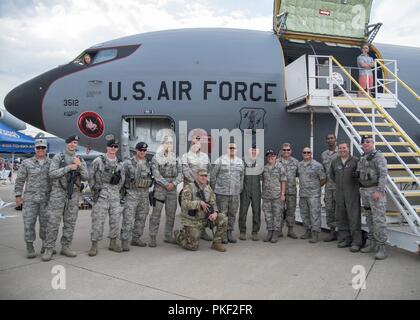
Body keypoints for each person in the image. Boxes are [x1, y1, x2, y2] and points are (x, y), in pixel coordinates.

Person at [42, 135, 89, 261]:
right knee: (53, 222)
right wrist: (69, 167)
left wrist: (80, 165)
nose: (73, 144)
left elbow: (86, 177)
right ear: (67, 143)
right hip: (58, 194)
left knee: (70, 222)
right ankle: (49, 249)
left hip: (73, 195)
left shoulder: (79, 159)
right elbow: (51, 174)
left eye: (75, 143)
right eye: (71, 142)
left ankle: (66, 247)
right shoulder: (58, 157)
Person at [174, 168, 227, 252]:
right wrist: (199, 203)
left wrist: (215, 213)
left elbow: (213, 203)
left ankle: (216, 243)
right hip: (192, 220)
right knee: (193, 246)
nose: (204, 177)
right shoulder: (189, 187)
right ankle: (178, 235)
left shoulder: (208, 188)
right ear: (196, 177)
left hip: (205, 218)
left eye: (205, 176)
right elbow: (184, 203)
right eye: (201, 175)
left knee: (223, 218)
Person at [14, 139, 52, 258]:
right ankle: (30, 247)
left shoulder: (51, 163)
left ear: (46, 149)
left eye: (43, 148)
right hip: (30, 199)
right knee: (29, 223)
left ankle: (45, 246)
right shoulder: (26, 163)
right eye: (38, 148)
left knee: (45, 224)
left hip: (46, 199)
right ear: (34, 149)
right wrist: (18, 195)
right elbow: (20, 180)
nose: (40, 150)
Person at [88, 139, 125, 256]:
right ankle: (94, 245)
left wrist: (115, 190)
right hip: (101, 194)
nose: (113, 148)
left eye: (115, 146)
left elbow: (122, 180)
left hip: (114, 195)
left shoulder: (120, 164)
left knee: (115, 220)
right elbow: (91, 176)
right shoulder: (98, 161)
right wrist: (95, 189)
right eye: (111, 146)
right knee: (98, 220)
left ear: (117, 148)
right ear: (107, 148)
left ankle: (113, 243)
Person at [357, 135, 388, 260]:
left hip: (375, 192)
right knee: (369, 218)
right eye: (364, 142)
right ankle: (372, 243)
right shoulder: (363, 157)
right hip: (365, 191)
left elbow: (383, 174)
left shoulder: (378, 156)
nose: (366, 144)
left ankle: (382, 248)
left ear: (373, 143)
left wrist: (379, 191)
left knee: (378, 220)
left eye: (368, 142)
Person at [149, 136, 183, 247]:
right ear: (163, 144)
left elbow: (181, 173)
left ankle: (168, 236)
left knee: (171, 214)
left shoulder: (176, 158)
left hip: (172, 189)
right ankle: (152, 237)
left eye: (171, 143)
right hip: (160, 189)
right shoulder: (156, 158)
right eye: (167, 143)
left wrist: (173, 183)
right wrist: (165, 184)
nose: (169, 145)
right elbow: (156, 173)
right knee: (156, 214)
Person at [120, 142, 153, 250]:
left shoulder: (149, 163)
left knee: (142, 217)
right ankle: (125, 240)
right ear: (136, 150)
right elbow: (121, 179)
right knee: (128, 218)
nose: (143, 152)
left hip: (144, 194)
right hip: (132, 193)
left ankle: (136, 238)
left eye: (144, 150)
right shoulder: (128, 163)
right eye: (140, 150)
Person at [330, 142, 362, 252]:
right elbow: (332, 176)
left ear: (348, 149)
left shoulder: (355, 161)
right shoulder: (335, 162)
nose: (342, 150)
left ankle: (356, 242)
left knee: (354, 217)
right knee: (341, 217)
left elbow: (360, 176)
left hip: (352, 194)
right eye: (340, 148)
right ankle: (345, 239)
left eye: (344, 148)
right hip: (339, 193)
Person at [211, 143, 244, 244]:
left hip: (234, 193)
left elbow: (242, 177)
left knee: (232, 214)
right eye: (230, 148)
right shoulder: (220, 160)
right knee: (222, 214)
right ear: (227, 149)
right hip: (222, 193)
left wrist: (239, 189)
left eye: (234, 148)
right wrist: (214, 190)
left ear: (237, 149)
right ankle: (222, 234)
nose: (232, 149)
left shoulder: (240, 162)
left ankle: (229, 232)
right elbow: (213, 176)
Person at [181, 135, 212, 241]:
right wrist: (195, 182)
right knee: (189, 209)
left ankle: (202, 231)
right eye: (194, 143)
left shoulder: (205, 156)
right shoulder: (185, 156)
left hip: (203, 187)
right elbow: (185, 170)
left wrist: (207, 181)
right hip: (190, 186)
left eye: (198, 143)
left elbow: (209, 170)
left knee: (203, 209)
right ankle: (186, 230)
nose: (196, 145)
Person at [298, 147, 326, 243]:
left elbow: (323, 179)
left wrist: (316, 188)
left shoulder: (317, 165)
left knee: (314, 214)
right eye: (304, 152)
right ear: (302, 153)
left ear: (311, 153)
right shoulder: (300, 165)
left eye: (308, 152)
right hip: (302, 194)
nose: (306, 153)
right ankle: (308, 231)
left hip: (313, 195)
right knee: (304, 214)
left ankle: (315, 234)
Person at [238, 144, 262, 241]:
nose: (253, 152)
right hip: (245, 189)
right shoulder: (242, 160)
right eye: (252, 150)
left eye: (255, 150)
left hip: (256, 190)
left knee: (256, 211)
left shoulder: (260, 161)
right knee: (243, 211)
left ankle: (255, 232)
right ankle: (242, 232)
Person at [261, 149, 286, 243]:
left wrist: (283, 194)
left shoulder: (280, 167)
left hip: (277, 196)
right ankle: (269, 232)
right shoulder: (265, 168)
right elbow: (263, 181)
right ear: (267, 158)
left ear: (275, 157)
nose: (270, 157)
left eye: (272, 155)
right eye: (268, 156)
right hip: (266, 196)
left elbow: (283, 181)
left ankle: (276, 232)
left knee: (277, 215)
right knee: (268, 215)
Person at [278, 143, 299, 239]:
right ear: (282, 151)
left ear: (291, 151)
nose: (286, 151)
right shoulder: (277, 162)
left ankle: (290, 230)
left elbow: (301, 175)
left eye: (288, 150)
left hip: (291, 191)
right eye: (284, 150)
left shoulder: (296, 162)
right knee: (279, 211)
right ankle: (279, 230)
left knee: (291, 211)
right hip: (279, 192)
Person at [321, 133, 339, 242]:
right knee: (329, 209)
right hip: (328, 186)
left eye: (332, 138)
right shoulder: (324, 154)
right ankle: (332, 232)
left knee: (339, 209)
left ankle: (341, 232)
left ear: (335, 140)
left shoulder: (340, 152)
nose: (330, 140)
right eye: (328, 139)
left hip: (338, 186)